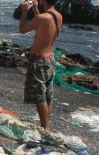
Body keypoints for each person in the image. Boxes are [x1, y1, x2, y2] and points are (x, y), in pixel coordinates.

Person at [18, 0, 62, 132]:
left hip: (38, 61)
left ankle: (45, 128)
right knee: (48, 96)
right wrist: (36, 12)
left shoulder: (42, 18)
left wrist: (25, 11)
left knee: (39, 96)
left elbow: (22, 29)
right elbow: (44, 30)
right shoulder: (58, 16)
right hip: (50, 59)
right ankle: (46, 125)